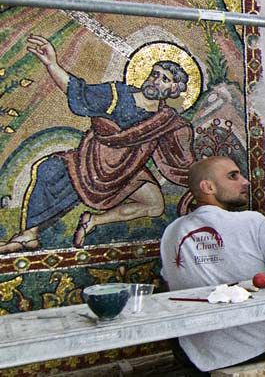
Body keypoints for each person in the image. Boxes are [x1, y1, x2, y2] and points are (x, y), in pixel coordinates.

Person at [0, 35, 194, 254]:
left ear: (174, 89)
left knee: (155, 206)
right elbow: (79, 92)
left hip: (128, 170)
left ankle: (93, 221)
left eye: (165, 79)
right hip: (93, 163)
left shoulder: (165, 120)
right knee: (50, 171)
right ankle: (29, 234)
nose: (155, 81)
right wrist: (52, 65)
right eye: (154, 74)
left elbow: (180, 158)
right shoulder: (118, 94)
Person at [160, 156, 265, 375]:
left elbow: (168, 282)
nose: (246, 182)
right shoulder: (252, 221)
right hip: (263, 343)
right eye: (233, 176)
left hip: (196, 351)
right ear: (208, 187)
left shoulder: (171, 232)